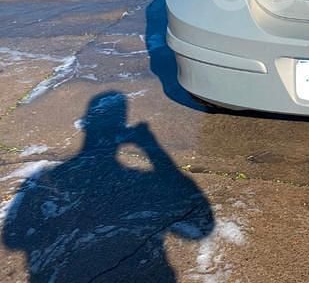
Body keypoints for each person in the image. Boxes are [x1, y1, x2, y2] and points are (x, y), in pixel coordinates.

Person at [2, 91, 214, 282]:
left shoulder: (46, 177)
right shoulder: (138, 181)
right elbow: (201, 226)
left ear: (85, 124)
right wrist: (152, 148)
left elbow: (13, 238)